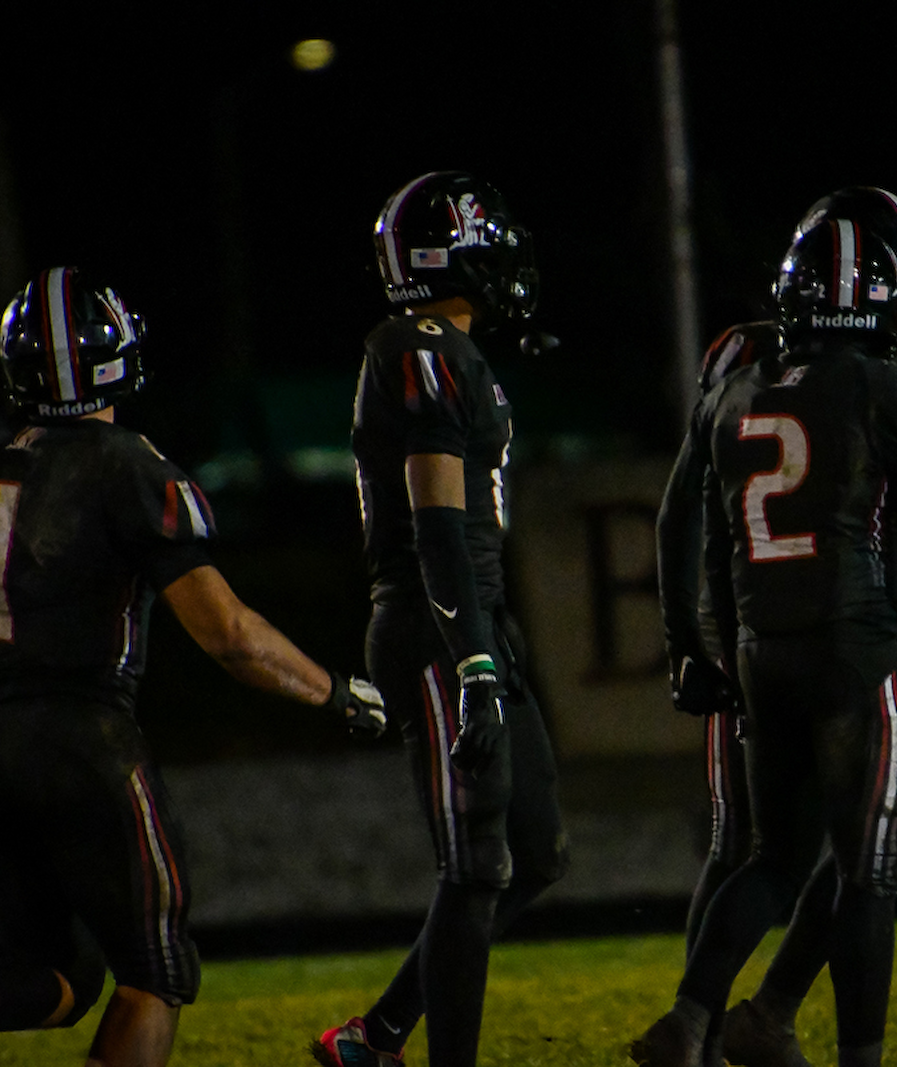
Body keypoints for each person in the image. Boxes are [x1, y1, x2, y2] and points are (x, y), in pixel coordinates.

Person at [0, 267, 387, 1067]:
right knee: (156, 972)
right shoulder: (132, 466)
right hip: (82, 739)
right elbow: (229, 634)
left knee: (61, 968)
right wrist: (338, 694)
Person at [633, 211, 897, 1067]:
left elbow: (697, 531)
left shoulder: (737, 386)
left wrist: (698, 641)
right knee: (870, 869)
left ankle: (691, 1019)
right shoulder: (891, 391)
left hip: (760, 648)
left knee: (772, 859)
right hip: (853, 646)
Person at [312, 171, 569, 1067]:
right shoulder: (416, 346)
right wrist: (474, 664)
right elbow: (436, 527)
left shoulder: (448, 349)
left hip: (471, 619)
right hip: (437, 625)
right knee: (476, 863)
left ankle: (376, 1036)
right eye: (484, 237)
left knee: (534, 851)